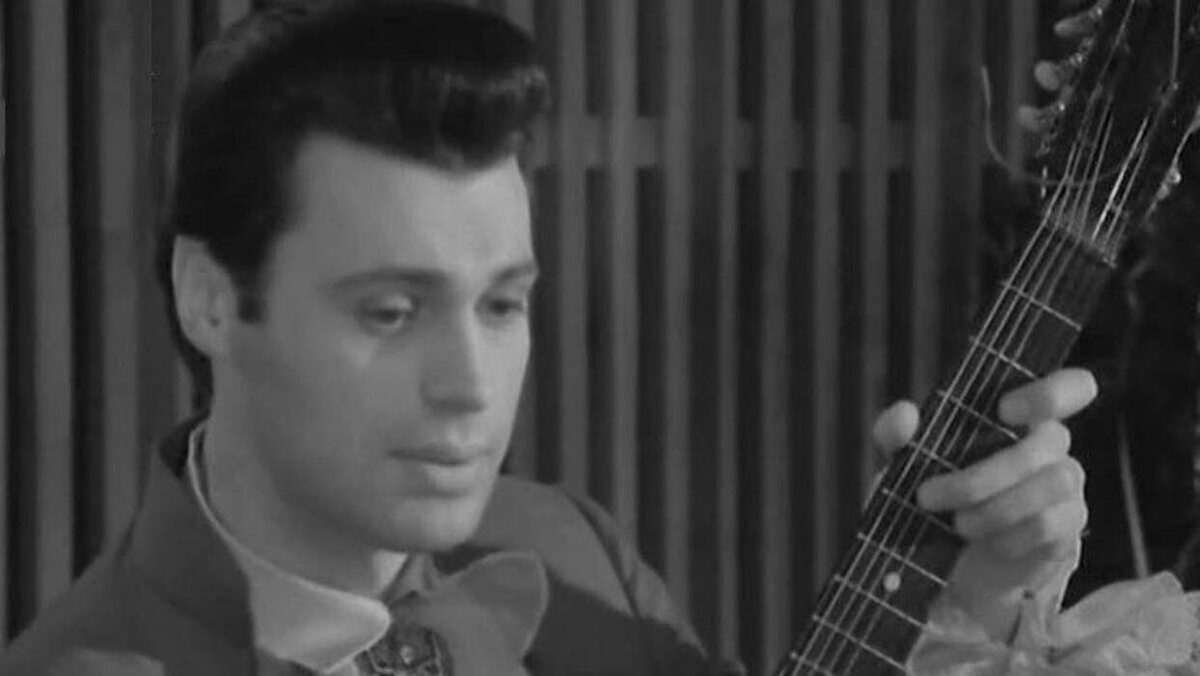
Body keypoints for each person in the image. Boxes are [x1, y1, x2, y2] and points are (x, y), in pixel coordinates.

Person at [0, 1, 1103, 674]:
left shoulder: (573, 553)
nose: (470, 387)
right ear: (207, 296)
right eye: (391, 311)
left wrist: (968, 592)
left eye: (501, 305)